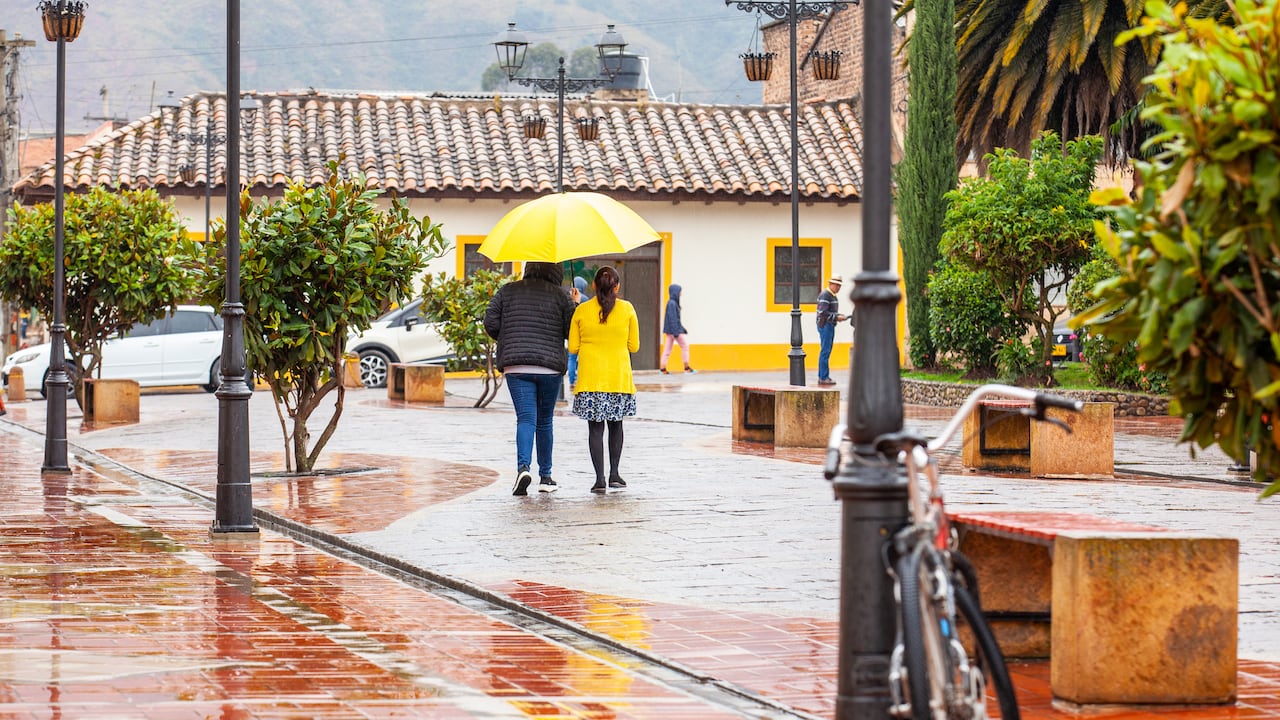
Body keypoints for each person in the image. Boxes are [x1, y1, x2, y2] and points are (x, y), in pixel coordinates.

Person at [484, 261, 576, 496]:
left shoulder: (508, 290)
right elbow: (570, 332)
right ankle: (546, 477)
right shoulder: (560, 296)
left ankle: (523, 468)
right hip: (549, 368)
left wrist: (508, 335)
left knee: (526, 419)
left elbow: (490, 323)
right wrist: (574, 305)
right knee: (545, 422)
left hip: (517, 366)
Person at [569, 266, 640, 493]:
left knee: (595, 429)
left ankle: (599, 479)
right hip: (618, 378)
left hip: (591, 379)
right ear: (617, 286)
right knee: (616, 425)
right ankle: (615, 475)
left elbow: (573, 347)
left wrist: (576, 305)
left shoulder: (581, 310)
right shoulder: (627, 309)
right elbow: (634, 346)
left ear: (593, 286)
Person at [815, 275, 847, 386]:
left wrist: (838, 316)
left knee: (826, 351)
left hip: (829, 325)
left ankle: (823, 376)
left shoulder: (832, 296)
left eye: (839, 286)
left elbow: (829, 312)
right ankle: (823, 377)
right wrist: (837, 317)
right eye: (836, 285)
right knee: (825, 351)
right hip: (825, 325)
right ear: (830, 284)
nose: (838, 287)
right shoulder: (826, 295)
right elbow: (823, 313)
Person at [659, 283, 695, 374]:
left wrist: (682, 329)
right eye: (679, 291)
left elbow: (675, 319)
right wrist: (676, 332)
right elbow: (673, 319)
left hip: (671, 331)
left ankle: (662, 369)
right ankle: (686, 368)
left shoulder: (672, 303)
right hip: (674, 331)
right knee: (685, 346)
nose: (680, 293)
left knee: (667, 350)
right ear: (675, 292)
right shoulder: (672, 303)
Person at [566, 275, 590, 388]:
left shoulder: (566, 296)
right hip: (583, 330)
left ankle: (572, 380)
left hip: (570, 330)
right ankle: (581, 379)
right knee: (583, 356)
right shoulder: (585, 299)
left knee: (572, 356)